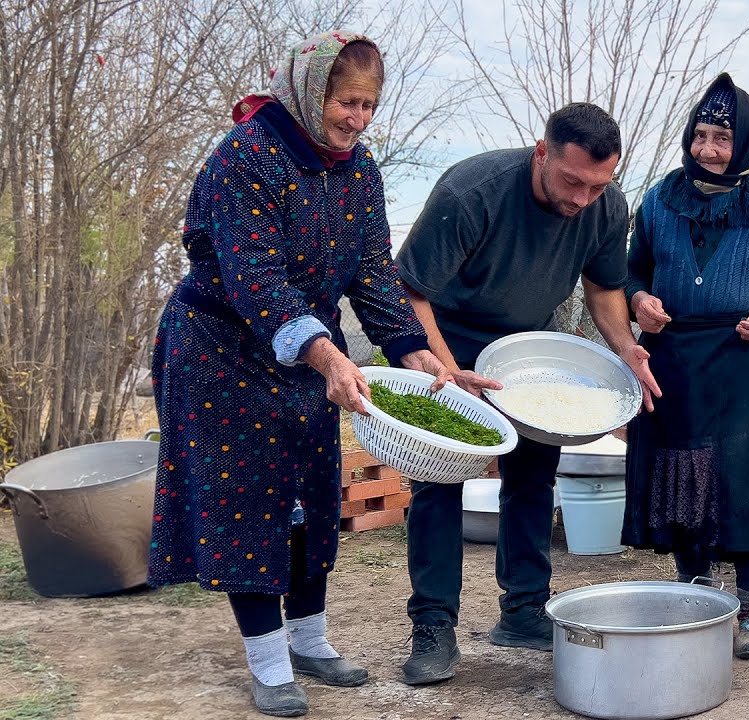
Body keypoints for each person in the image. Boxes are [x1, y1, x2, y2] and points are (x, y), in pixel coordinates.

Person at [148, 32, 449, 717]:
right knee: (248, 499)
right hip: (219, 349)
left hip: (306, 348)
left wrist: (411, 347)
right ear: (314, 93)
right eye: (348, 103)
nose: (358, 120)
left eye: (370, 106)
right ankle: (268, 661)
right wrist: (329, 355)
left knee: (312, 494)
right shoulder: (247, 157)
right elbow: (256, 280)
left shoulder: (360, 170)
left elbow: (373, 272)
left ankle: (309, 639)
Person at [393, 102, 661, 685]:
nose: (583, 198)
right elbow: (410, 291)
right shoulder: (474, 191)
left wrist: (625, 346)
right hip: (447, 339)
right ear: (542, 152)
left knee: (533, 476)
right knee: (440, 481)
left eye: (598, 185)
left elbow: (604, 287)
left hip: (528, 349)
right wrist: (446, 367)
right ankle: (433, 625)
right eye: (572, 181)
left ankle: (523, 610)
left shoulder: (605, 205)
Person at [621, 73, 749, 660]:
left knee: (743, 470)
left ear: (746, 143)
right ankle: (696, 591)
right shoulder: (662, 198)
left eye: (722, 139)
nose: (709, 150)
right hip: (674, 354)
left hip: (744, 356)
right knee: (683, 468)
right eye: (701, 136)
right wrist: (641, 301)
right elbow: (632, 272)